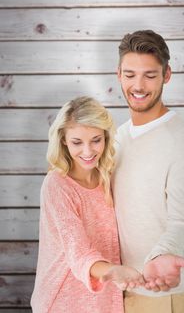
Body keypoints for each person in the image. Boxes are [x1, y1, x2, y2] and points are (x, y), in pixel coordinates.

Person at [111, 30, 184, 313]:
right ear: (118, 74)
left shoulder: (183, 141)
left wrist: (164, 255)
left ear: (167, 75)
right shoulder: (119, 137)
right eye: (130, 74)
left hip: (161, 297)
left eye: (149, 75)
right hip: (120, 291)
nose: (138, 85)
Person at [30, 96, 145, 313]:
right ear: (63, 139)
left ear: (106, 137)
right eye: (77, 142)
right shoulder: (57, 185)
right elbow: (78, 252)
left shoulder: (108, 178)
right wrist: (114, 271)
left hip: (106, 296)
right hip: (63, 299)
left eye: (95, 140)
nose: (88, 151)